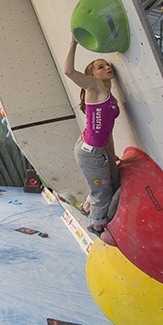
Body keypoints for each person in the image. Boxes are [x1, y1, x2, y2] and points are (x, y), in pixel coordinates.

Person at [64, 37, 121, 234]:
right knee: (103, 192)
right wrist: (73, 43)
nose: (107, 67)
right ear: (92, 75)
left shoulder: (108, 94)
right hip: (90, 152)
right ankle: (96, 226)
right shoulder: (95, 87)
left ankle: (87, 205)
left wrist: (112, 154)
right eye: (100, 67)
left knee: (116, 180)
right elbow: (68, 71)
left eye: (106, 65)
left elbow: (108, 129)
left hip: (100, 148)